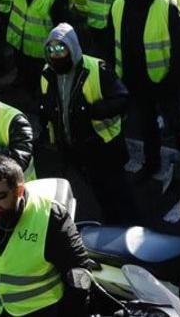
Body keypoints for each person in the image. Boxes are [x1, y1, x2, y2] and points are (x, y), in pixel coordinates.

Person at [0, 157, 94, 317]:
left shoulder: (50, 217)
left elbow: (79, 272)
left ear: (19, 191)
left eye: (0, 196)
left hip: (42, 311)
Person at [38, 23, 131, 222]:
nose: (56, 54)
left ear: (72, 47)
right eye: (51, 49)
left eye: (61, 48)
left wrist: (97, 111)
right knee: (96, 190)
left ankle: (125, 225)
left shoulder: (97, 69)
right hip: (74, 147)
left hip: (103, 146)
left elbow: (122, 99)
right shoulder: (47, 72)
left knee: (118, 192)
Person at [108, 0, 180, 180]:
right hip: (134, 80)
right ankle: (152, 164)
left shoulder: (167, 5)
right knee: (147, 126)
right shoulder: (117, 5)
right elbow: (110, 42)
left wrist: (171, 83)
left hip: (164, 81)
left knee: (177, 124)